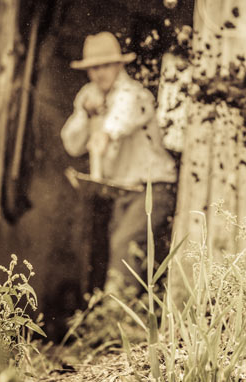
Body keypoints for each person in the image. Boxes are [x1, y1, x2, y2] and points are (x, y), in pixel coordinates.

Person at [61, 32, 177, 294]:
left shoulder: (134, 94)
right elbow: (72, 143)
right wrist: (85, 115)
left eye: (104, 66)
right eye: (93, 68)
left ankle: (115, 315)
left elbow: (122, 117)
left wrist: (105, 132)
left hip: (153, 188)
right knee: (117, 249)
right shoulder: (88, 96)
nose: (99, 73)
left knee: (124, 246)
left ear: (119, 65)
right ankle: (120, 315)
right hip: (123, 191)